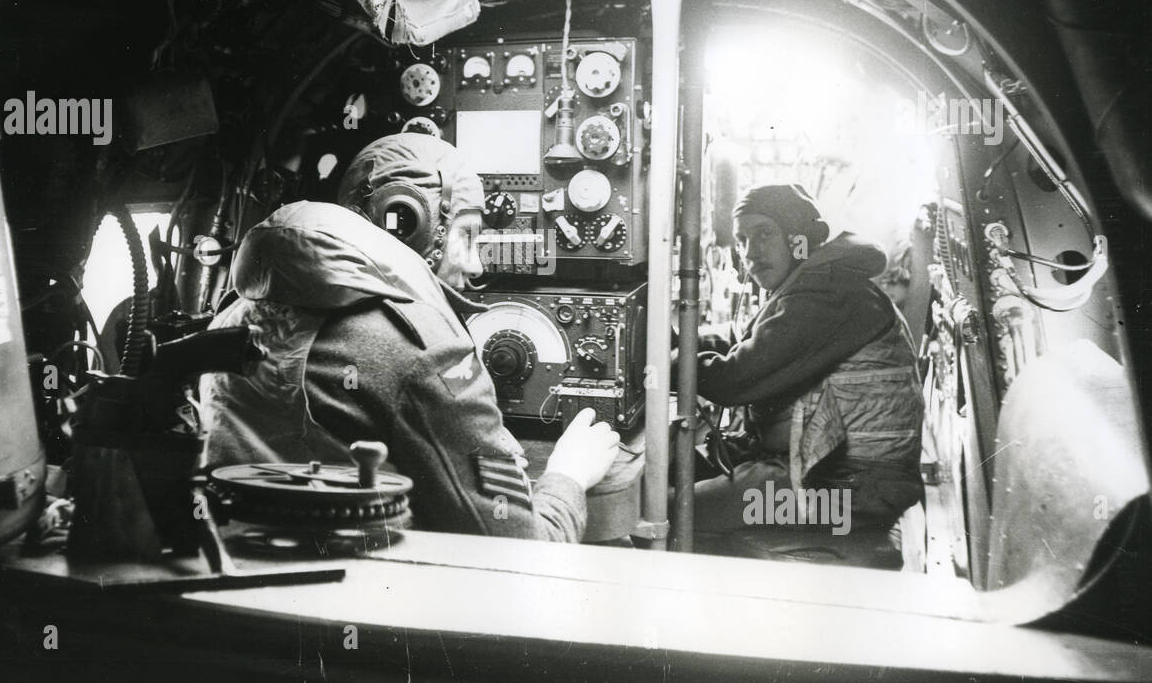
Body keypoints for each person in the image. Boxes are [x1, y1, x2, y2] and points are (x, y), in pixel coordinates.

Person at [199, 132, 619, 541]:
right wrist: (568, 475)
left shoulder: (232, 315)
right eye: (467, 235)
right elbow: (521, 548)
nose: (476, 265)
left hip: (239, 561)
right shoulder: (423, 348)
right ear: (414, 228)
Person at [690, 183, 924, 562]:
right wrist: (686, 340)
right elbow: (753, 340)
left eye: (764, 234)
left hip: (846, 495)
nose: (750, 253)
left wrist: (676, 360)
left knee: (676, 510)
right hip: (831, 471)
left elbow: (736, 379)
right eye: (742, 240)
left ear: (800, 239)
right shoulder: (816, 281)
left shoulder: (826, 293)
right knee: (680, 469)